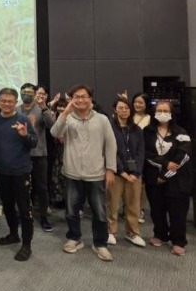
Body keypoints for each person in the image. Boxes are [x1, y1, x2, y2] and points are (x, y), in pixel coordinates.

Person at [51, 84, 117, 262]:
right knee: (72, 211)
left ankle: (100, 243)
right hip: (71, 173)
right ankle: (74, 238)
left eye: (84, 96)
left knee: (99, 212)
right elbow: (54, 133)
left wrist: (110, 169)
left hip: (96, 174)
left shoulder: (102, 119)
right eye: (76, 97)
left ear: (90, 99)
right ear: (71, 99)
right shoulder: (67, 119)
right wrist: (65, 112)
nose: (80, 100)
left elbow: (111, 145)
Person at [0, 88, 38, 261]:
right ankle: (13, 234)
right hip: (2, 172)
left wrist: (25, 135)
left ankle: (27, 245)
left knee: (24, 209)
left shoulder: (23, 119)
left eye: (10, 101)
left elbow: (34, 142)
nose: (7, 104)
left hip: (21, 172)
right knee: (7, 206)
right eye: (3, 101)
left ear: (16, 102)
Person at [143, 101, 193, 256]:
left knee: (178, 211)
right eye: (159, 110)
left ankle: (178, 241)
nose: (162, 113)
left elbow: (183, 156)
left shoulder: (181, 132)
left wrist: (166, 175)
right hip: (154, 178)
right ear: (154, 113)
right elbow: (146, 154)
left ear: (171, 113)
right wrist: (164, 164)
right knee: (157, 209)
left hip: (177, 179)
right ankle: (161, 235)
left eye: (166, 110)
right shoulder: (147, 132)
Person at [16, 83, 56, 232]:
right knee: (22, 187)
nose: (26, 94)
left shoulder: (42, 109)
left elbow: (53, 127)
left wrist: (45, 109)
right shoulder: (16, 109)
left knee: (41, 187)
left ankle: (44, 217)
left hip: (39, 154)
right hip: (21, 154)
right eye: (24, 92)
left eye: (29, 92)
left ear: (34, 94)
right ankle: (23, 214)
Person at [107, 98, 145, 247]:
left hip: (134, 174)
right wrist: (121, 170)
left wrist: (136, 173)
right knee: (112, 205)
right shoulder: (110, 128)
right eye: (121, 108)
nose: (124, 110)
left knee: (133, 205)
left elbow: (141, 152)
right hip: (116, 173)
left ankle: (132, 233)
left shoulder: (137, 130)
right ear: (115, 110)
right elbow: (110, 151)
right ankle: (111, 232)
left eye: (127, 108)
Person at [131, 92, 151, 224]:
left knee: (141, 184)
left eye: (140, 102)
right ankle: (128, 208)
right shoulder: (129, 115)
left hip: (142, 154)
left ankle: (140, 209)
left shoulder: (150, 118)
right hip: (127, 154)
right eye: (135, 102)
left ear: (146, 104)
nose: (137, 104)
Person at [49, 98, 68, 207]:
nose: (61, 108)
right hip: (56, 151)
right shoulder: (53, 117)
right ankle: (57, 199)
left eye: (63, 106)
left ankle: (66, 199)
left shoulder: (70, 118)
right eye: (59, 106)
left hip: (66, 150)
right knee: (56, 174)